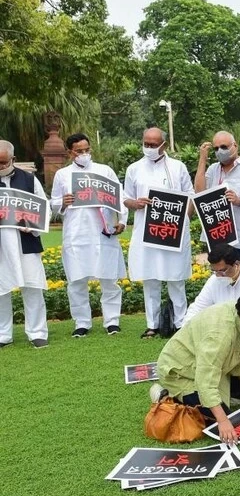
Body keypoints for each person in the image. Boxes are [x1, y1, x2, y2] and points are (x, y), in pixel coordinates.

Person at [152, 285, 240, 445]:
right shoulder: (219, 334)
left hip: (215, 367)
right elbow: (205, 381)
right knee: (219, 419)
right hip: (181, 372)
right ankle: (166, 394)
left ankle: (227, 394)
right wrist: (223, 421)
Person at [51, 133, 127, 337]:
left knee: (109, 278)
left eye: (87, 150)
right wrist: (62, 203)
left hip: (102, 232)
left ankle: (112, 321)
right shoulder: (63, 175)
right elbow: (54, 203)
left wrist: (121, 221)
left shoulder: (104, 171)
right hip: (76, 234)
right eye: (79, 151)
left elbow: (119, 197)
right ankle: (82, 322)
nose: (84, 154)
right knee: (77, 280)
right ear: (70, 152)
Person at [124, 127, 194, 338]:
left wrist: (184, 218)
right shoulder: (134, 169)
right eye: (146, 143)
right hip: (147, 230)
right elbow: (125, 197)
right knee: (150, 278)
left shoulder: (177, 167)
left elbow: (190, 194)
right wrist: (135, 203)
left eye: (154, 144)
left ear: (164, 145)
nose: (149, 148)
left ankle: (181, 324)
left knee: (176, 278)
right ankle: (151, 324)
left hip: (173, 229)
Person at [0, 140, 49, 348]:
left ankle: (37, 332)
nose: (0, 167)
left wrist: (34, 224)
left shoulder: (29, 180)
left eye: (3, 162)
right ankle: (3, 334)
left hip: (26, 240)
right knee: (1, 290)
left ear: (13, 159)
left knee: (32, 286)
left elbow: (44, 208)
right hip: (2, 243)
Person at [194, 130, 240, 266]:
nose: (220, 151)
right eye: (216, 148)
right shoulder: (213, 169)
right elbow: (199, 192)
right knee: (220, 278)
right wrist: (203, 159)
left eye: (224, 147)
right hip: (216, 236)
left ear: (235, 146)